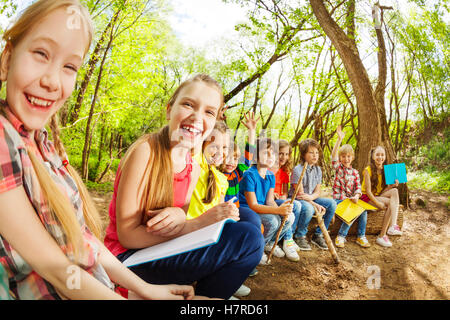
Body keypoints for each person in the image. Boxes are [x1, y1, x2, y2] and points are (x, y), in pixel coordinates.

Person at [0, 0, 194, 300]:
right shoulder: (3, 138)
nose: (52, 81)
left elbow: (84, 239)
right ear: (6, 59)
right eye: (41, 54)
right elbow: (55, 270)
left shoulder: (45, 144)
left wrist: (145, 289)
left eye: (69, 66)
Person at [104, 74, 264, 299]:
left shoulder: (192, 166)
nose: (197, 117)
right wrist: (197, 223)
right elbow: (128, 237)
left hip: (162, 250)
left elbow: (177, 227)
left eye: (209, 112)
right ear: (169, 110)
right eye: (188, 104)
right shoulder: (146, 152)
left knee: (249, 229)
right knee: (248, 239)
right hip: (127, 260)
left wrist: (182, 218)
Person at [239, 138, 297, 263]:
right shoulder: (249, 174)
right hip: (248, 209)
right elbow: (253, 205)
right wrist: (277, 210)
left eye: (273, 153)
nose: (271, 156)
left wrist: (281, 211)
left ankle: (269, 243)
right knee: (272, 220)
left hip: (262, 207)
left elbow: (270, 201)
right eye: (266, 152)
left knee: (289, 217)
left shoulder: (270, 176)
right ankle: (256, 249)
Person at [289, 139, 337, 251]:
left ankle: (318, 235)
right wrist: (314, 204)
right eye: (311, 152)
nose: (315, 155)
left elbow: (317, 192)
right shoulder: (297, 170)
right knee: (309, 208)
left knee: (332, 204)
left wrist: (312, 199)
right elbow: (300, 195)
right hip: (299, 199)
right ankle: (299, 235)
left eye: (316, 152)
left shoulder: (318, 170)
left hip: (311, 197)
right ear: (304, 154)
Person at [331, 126, 370, 248]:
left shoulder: (355, 173)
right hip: (339, 200)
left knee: (362, 210)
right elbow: (333, 157)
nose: (346, 159)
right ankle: (341, 236)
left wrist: (357, 196)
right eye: (343, 156)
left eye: (348, 156)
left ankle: (361, 236)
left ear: (352, 157)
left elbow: (358, 187)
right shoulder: (338, 168)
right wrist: (339, 139)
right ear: (340, 158)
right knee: (352, 209)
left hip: (350, 200)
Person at [187, 121, 230, 220]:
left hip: (210, 229)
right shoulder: (195, 161)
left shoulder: (222, 179)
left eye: (224, 147)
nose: (220, 152)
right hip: (188, 228)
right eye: (214, 146)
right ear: (202, 144)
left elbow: (220, 213)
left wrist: (228, 212)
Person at [361, 145, 402, 248]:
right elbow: (369, 192)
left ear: (385, 156)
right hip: (366, 197)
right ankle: (382, 235)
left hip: (377, 195)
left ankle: (392, 226)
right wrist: (377, 203)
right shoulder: (368, 170)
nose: (380, 157)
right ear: (373, 156)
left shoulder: (385, 170)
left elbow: (382, 191)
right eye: (377, 154)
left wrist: (390, 186)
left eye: (382, 155)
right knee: (389, 203)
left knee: (394, 191)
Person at [271, 139, 301, 260]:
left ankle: (289, 238)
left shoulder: (284, 172)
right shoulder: (269, 169)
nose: (284, 157)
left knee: (297, 205)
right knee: (290, 207)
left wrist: (283, 199)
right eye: (281, 153)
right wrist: (273, 194)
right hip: (270, 200)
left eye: (287, 154)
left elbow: (284, 192)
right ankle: (287, 240)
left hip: (280, 200)